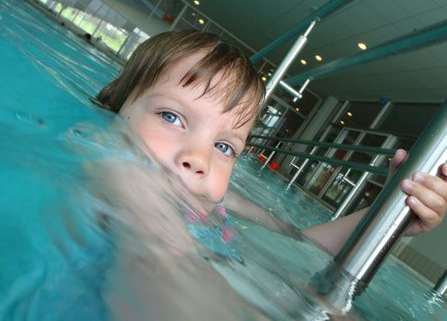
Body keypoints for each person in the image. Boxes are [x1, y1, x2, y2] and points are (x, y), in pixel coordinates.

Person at [95, 29, 447, 257]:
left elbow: (301, 242)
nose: (198, 158)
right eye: (172, 117)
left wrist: (387, 213)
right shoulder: (105, 163)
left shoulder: (220, 202)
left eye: (223, 147)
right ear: (116, 104)